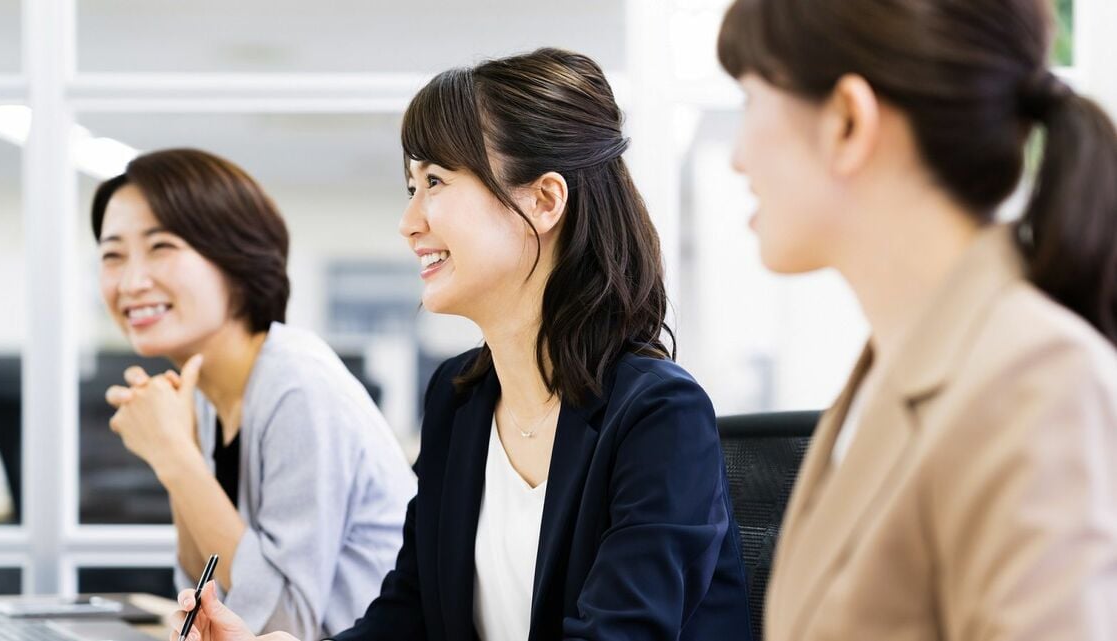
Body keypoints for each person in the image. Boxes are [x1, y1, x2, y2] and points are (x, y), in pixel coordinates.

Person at [167, 48, 754, 641]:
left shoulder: (657, 416)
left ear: (545, 200)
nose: (409, 220)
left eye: (436, 182)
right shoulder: (459, 400)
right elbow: (407, 617)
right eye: (411, 186)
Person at [716, 0, 1117, 639]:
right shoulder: (884, 373)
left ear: (848, 120)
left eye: (750, 100)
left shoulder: (1037, 381)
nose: (738, 157)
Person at [93, 148, 416, 640]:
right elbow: (203, 595)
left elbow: (281, 625)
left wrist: (175, 457)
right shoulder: (207, 393)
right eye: (113, 255)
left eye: (161, 247)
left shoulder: (296, 385)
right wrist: (179, 455)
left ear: (234, 257)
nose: (133, 281)